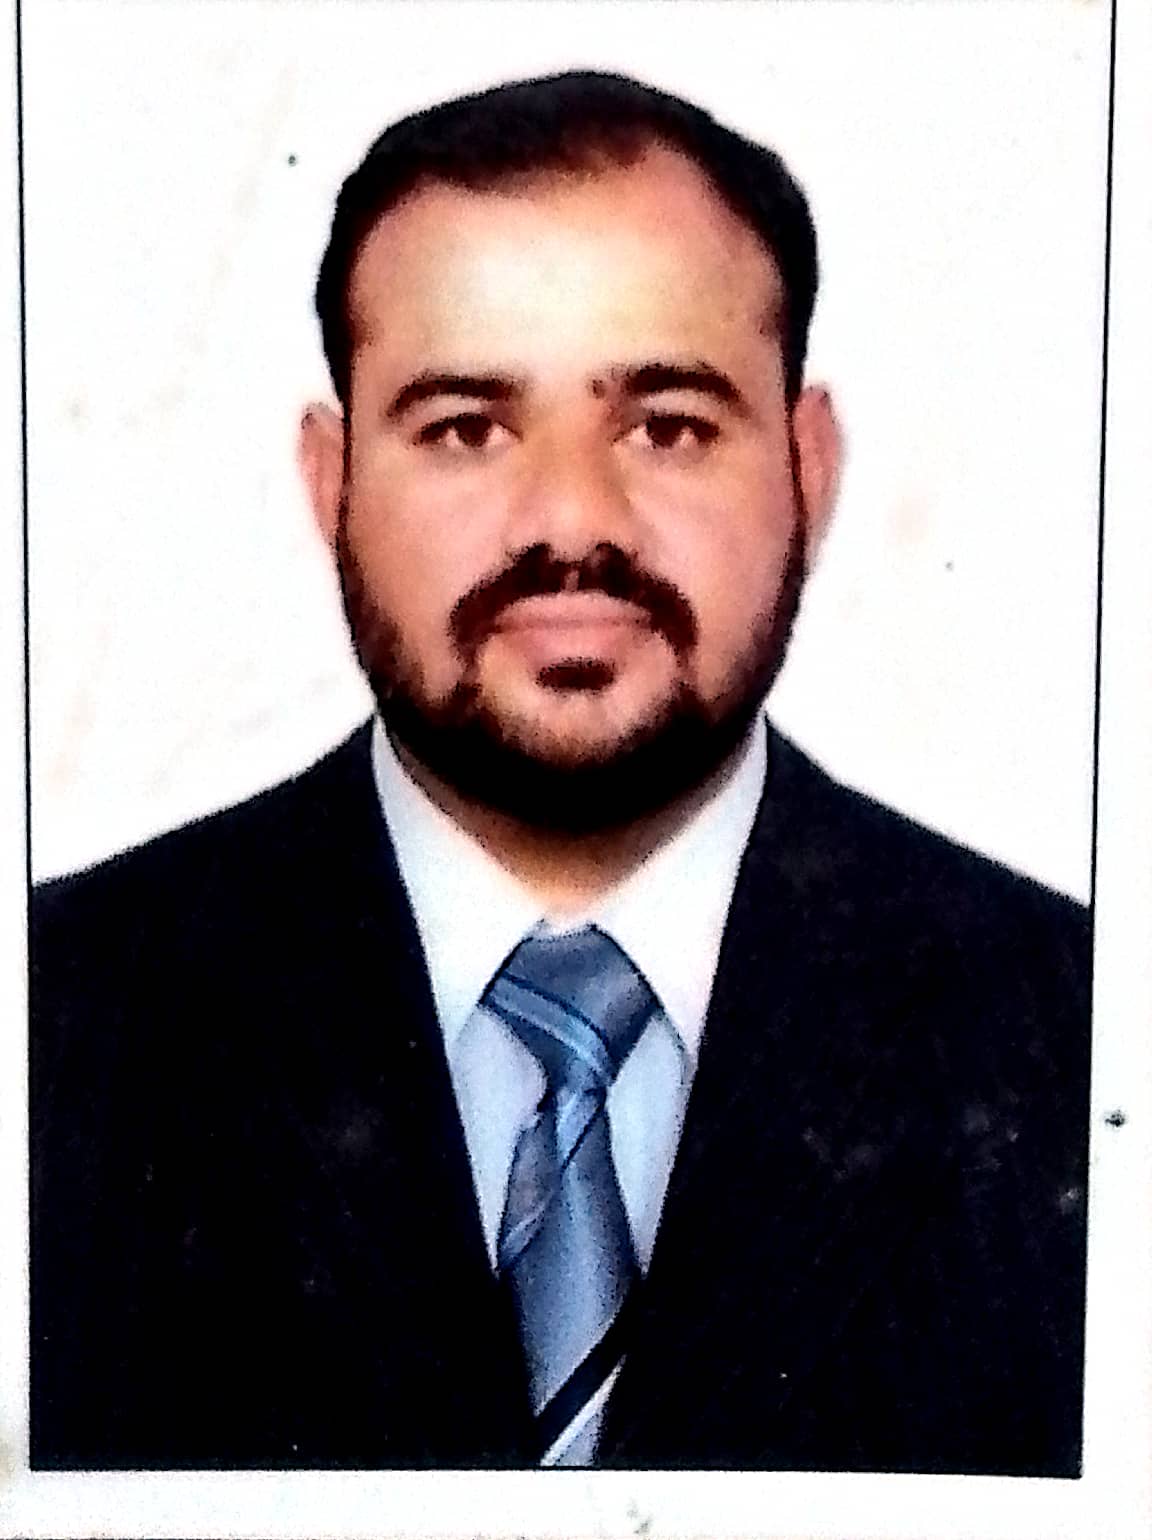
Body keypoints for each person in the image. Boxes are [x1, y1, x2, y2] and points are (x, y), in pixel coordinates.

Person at [29, 70, 1090, 1476]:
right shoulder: (53, 1026)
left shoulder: (1079, 1037)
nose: (574, 521)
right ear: (330, 484)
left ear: (809, 470)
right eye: (465, 427)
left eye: (669, 425)